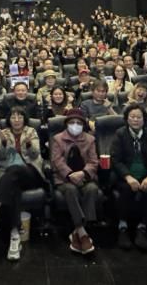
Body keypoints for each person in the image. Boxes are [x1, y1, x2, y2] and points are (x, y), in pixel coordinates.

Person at [0, 106, 45, 261]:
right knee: (14, 188)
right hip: (10, 177)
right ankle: (15, 235)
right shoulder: (3, 133)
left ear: (24, 119)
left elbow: (35, 155)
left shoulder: (31, 131)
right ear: (9, 120)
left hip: (30, 173)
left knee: (14, 170)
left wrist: (28, 145)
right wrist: (4, 144)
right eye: (13, 117)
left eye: (20, 117)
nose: (16, 120)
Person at [111, 104, 147, 251]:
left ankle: (142, 227)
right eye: (132, 117)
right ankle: (123, 227)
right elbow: (116, 160)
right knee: (125, 189)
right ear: (127, 119)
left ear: (144, 119)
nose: (135, 120)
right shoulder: (120, 134)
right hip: (125, 176)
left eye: (139, 117)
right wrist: (128, 177)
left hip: (145, 175)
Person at [50, 109, 99, 255]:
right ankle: (82, 232)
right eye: (72, 122)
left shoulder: (90, 139)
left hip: (85, 177)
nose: (75, 125)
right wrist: (70, 174)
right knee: (70, 189)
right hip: (64, 178)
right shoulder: (58, 139)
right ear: (66, 124)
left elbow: (94, 161)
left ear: (83, 125)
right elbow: (56, 161)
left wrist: (83, 173)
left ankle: (77, 233)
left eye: (79, 123)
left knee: (92, 188)